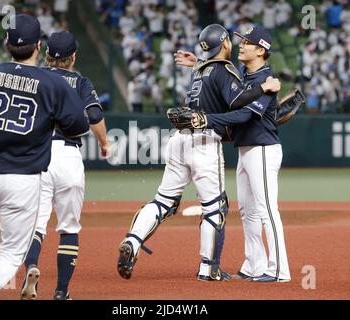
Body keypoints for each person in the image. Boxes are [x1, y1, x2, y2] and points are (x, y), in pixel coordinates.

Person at [117, 24, 281, 282]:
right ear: (225, 44)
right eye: (234, 40)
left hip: (178, 140)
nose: (238, 44)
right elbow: (238, 102)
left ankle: (133, 239)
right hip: (203, 142)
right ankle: (208, 268)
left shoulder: (201, 70)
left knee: (163, 200)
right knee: (215, 208)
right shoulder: (226, 70)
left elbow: (215, 82)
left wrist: (196, 64)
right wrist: (264, 89)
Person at [0, 14, 90, 300]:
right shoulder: (51, 83)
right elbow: (79, 126)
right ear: (39, 46)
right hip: (22, 179)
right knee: (11, 256)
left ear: (6, 42)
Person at [175, 26, 291, 282]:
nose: (241, 45)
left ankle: (279, 269)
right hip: (245, 150)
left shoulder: (267, 81)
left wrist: (205, 118)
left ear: (261, 50)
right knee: (247, 211)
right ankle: (254, 264)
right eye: (240, 40)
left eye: (247, 42)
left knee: (267, 210)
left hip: (262, 149)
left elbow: (243, 115)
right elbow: (221, 79)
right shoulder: (241, 75)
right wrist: (198, 64)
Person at [19, 31, 109, 300]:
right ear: (73, 57)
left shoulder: (34, 78)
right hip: (69, 157)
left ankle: (32, 266)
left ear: (46, 55)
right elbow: (94, 114)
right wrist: (104, 143)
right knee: (69, 227)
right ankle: (61, 292)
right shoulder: (80, 82)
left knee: (36, 224)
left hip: (39, 156)